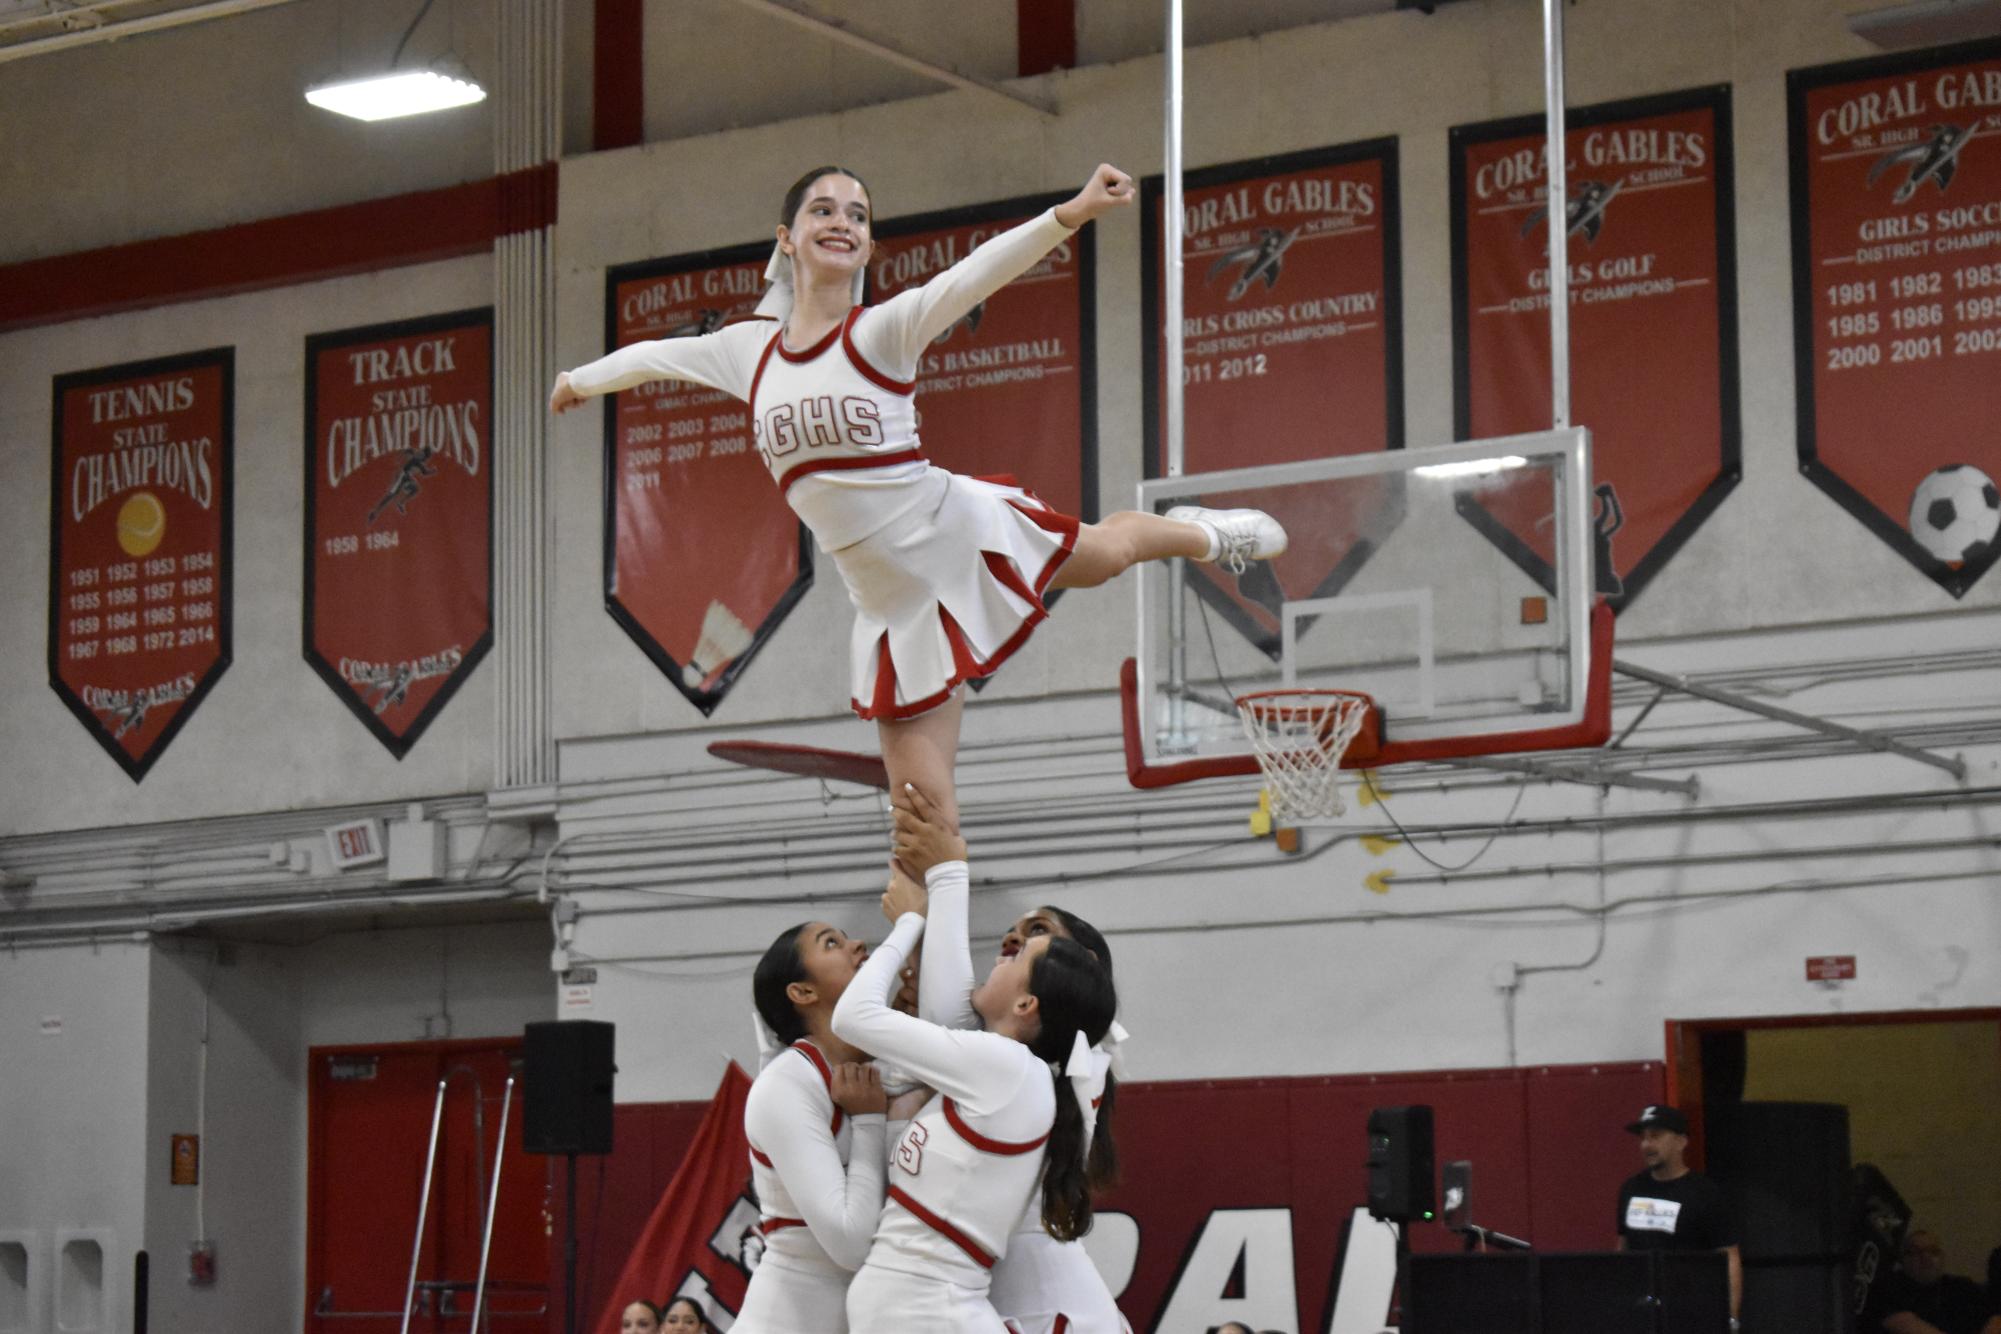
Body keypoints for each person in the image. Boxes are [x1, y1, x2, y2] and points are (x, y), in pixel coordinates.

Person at [551, 163, 1286, 830]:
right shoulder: (748, 351)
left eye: (858, 215)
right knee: (921, 823)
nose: (842, 221)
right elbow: (655, 357)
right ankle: (932, 948)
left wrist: (1073, 211)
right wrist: (578, 381)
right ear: (787, 237)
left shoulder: (883, 332)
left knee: (1106, 554)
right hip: (890, 601)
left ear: (868, 249)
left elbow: (974, 276)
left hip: (956, 531)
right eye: (822, 210)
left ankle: (1205, 536)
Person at [830, 852, 1116, 1331]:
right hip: (917, 1307)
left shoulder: (1006, 1068)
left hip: (934, 1309)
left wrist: (909, 924)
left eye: (1022, 954)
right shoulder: (998, 1076)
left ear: (1026, 1003)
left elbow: (852, 1017)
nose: (1004, 950)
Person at [892, 783, 1128, 1334]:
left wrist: (939, 885)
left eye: (1036, 934)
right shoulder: (1019, 1058)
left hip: (1048, 1314)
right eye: (1013, 936)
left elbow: (946, 1020)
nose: (1012, 941)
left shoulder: (1079, 1056)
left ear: (1082, 968)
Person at [737, 920, 892, 1333]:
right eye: (832, 944)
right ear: (803, 992)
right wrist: (870, 1121)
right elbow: (849, 1243)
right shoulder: (785, 1084)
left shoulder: (884, 1065)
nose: (859, 944)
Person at [1614, 1105, 1741, 1327]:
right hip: (1641, 1311)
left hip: (1690, 1310)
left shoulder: (1704, 1193)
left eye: (1655, 1136)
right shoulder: (1631, 1189)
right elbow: (1623, 1246)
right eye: (1643, 1138)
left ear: (1681, 1142)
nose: (1646, 1145)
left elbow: (1728, 1256)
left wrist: (1730, 1317)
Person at [1867, 1229, 2001, 1334]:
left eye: (1933, 1251)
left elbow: (1993, 1318)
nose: (1926, 1257)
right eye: (1916, 1252)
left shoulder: (1962, 1287)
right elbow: (1902, 1324)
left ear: (1942, 1258)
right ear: (1903, 1260)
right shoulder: (1890, 1287)